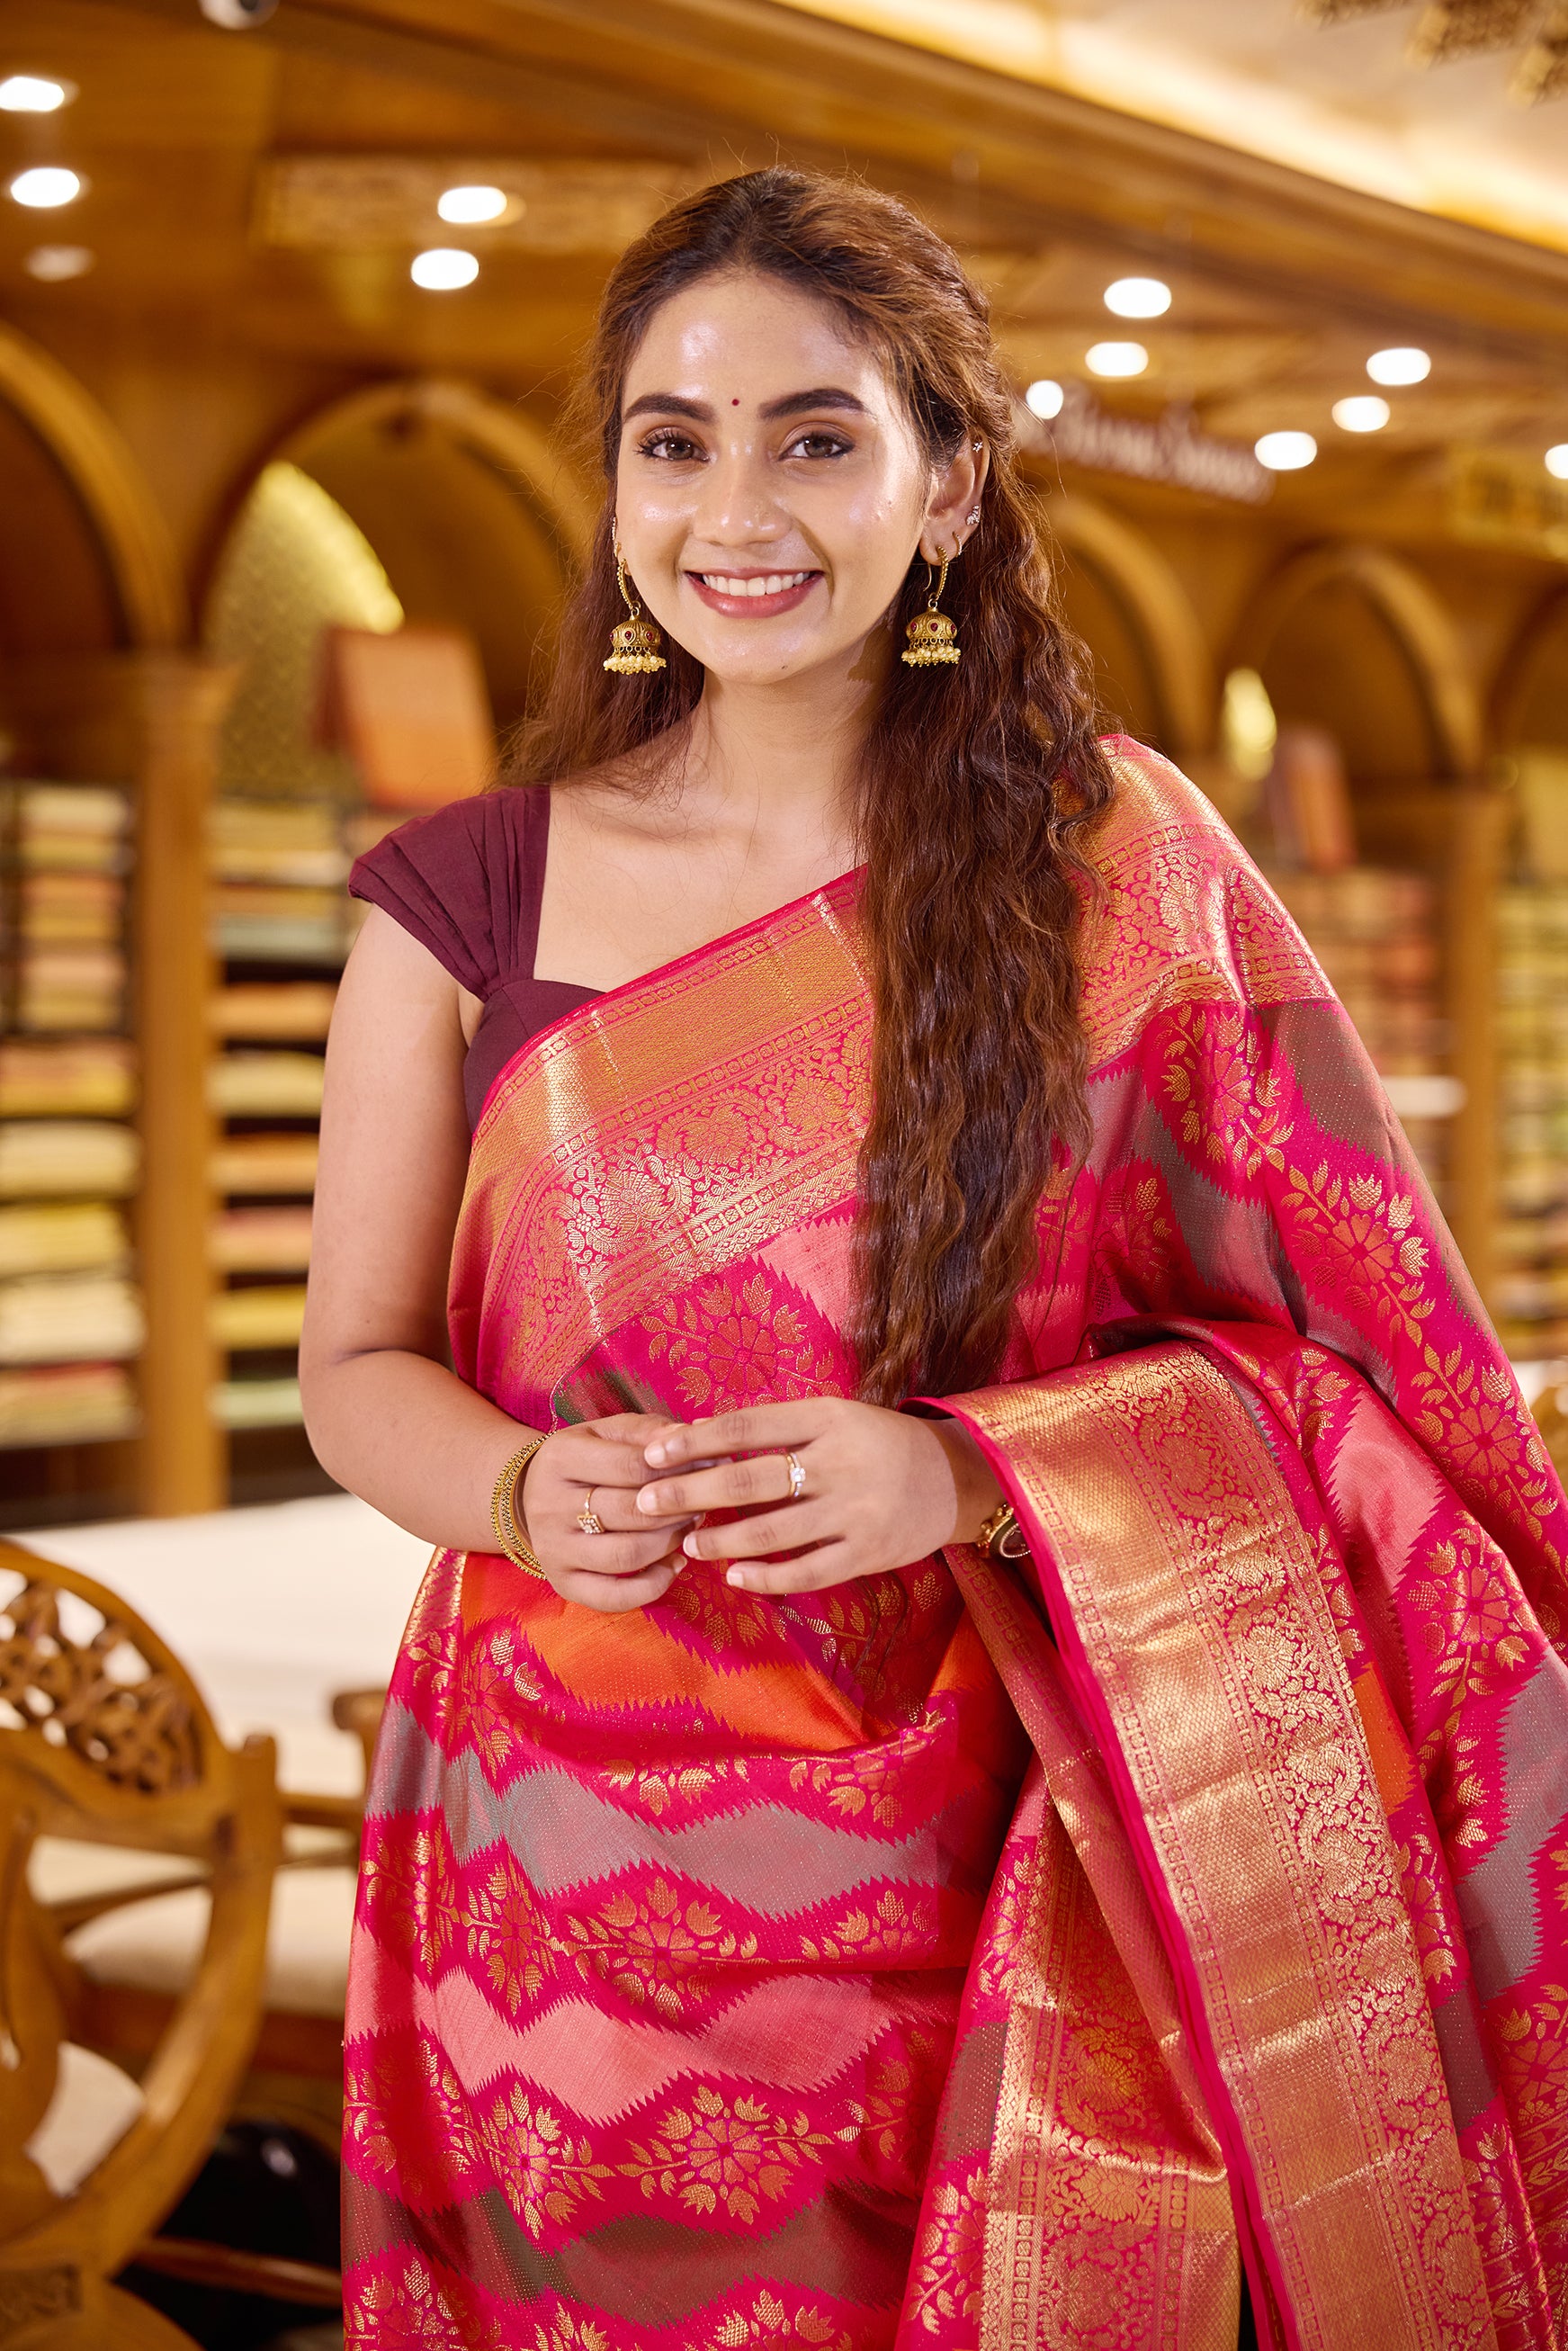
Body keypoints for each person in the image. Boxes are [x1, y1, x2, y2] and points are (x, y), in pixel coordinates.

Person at [302, 167, 1568, 2351]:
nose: (736, 508)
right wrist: (515, 1487)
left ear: (948, 481)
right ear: (611, 483)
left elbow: (1363, 1364)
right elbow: (358, 1361)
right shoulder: (459, 895)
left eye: (817, 433)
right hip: (540, 1863)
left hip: (999, 1847)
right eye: (670, 439)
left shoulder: (1119, 866)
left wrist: (966, 1473)